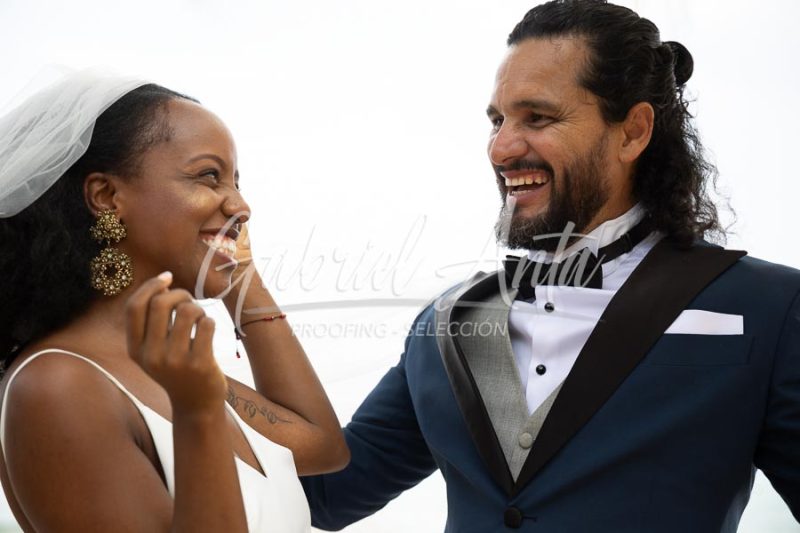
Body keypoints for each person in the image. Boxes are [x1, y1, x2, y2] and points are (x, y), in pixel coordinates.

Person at [300, 1, 800, 531]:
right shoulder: (447, 319)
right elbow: (329, 494)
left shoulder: (769, 308)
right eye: (498, 121)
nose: (501, 149)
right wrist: (245, 300)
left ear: (633, 131)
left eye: (537, 117)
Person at [0, 70, 349, 532]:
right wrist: (198, 413)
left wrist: (238, 271)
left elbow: (322, 445)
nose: (241, 206)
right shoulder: (57, 386)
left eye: (237, 182)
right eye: (209, 176)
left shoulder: (165, 368)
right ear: (106, 196)